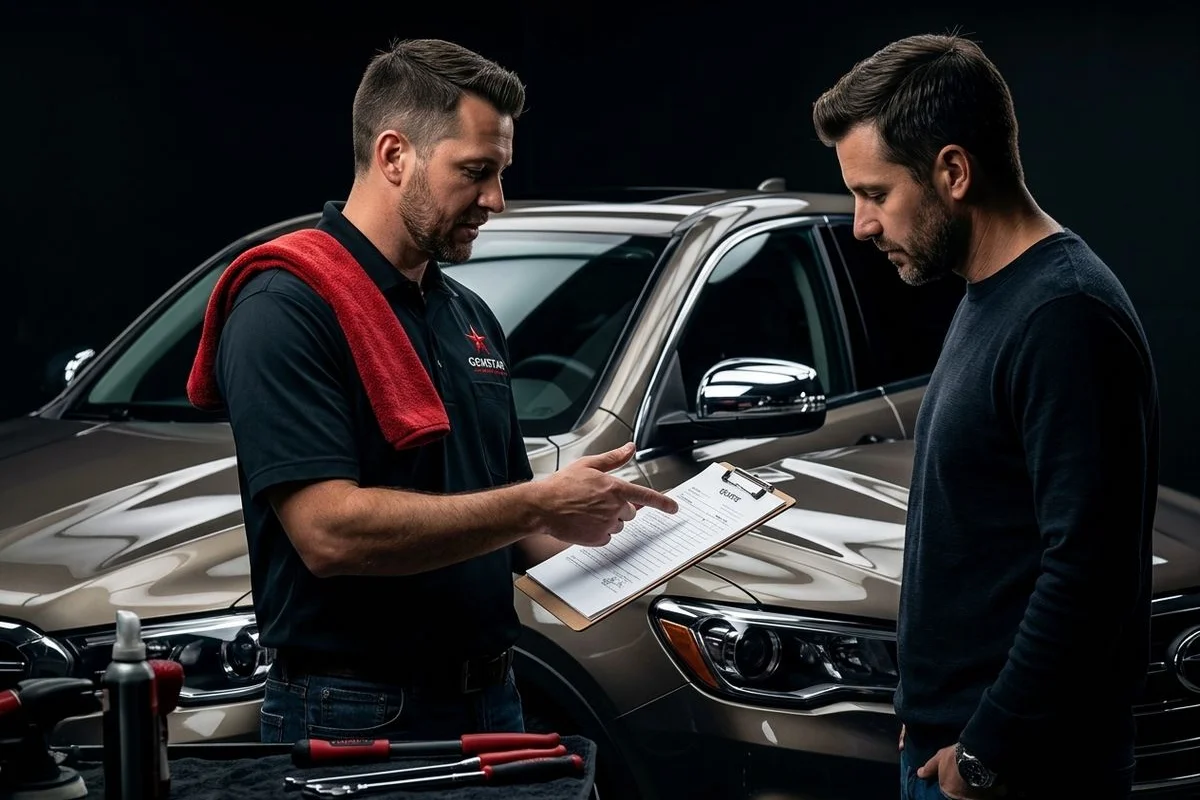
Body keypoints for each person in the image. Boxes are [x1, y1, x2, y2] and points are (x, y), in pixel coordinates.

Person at [187, 38, 678, 744]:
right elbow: (328, 532)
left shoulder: (468, 318)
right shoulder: (284, 307)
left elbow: (504, 517)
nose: (497, 201)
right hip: (353, 713)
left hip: (494, 701)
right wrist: (537, 501)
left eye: (501, 173)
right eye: (476, 172)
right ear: (394, 156)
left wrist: (638, 540)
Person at [812, 34, 1158, 800]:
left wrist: (985, 751)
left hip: (1018, 773)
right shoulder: (990, 293)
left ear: (954, 172)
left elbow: (1090, 578)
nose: (862, 224)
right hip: (953, 746)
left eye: (875, 193)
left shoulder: (1066, 314)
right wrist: (927, 710)